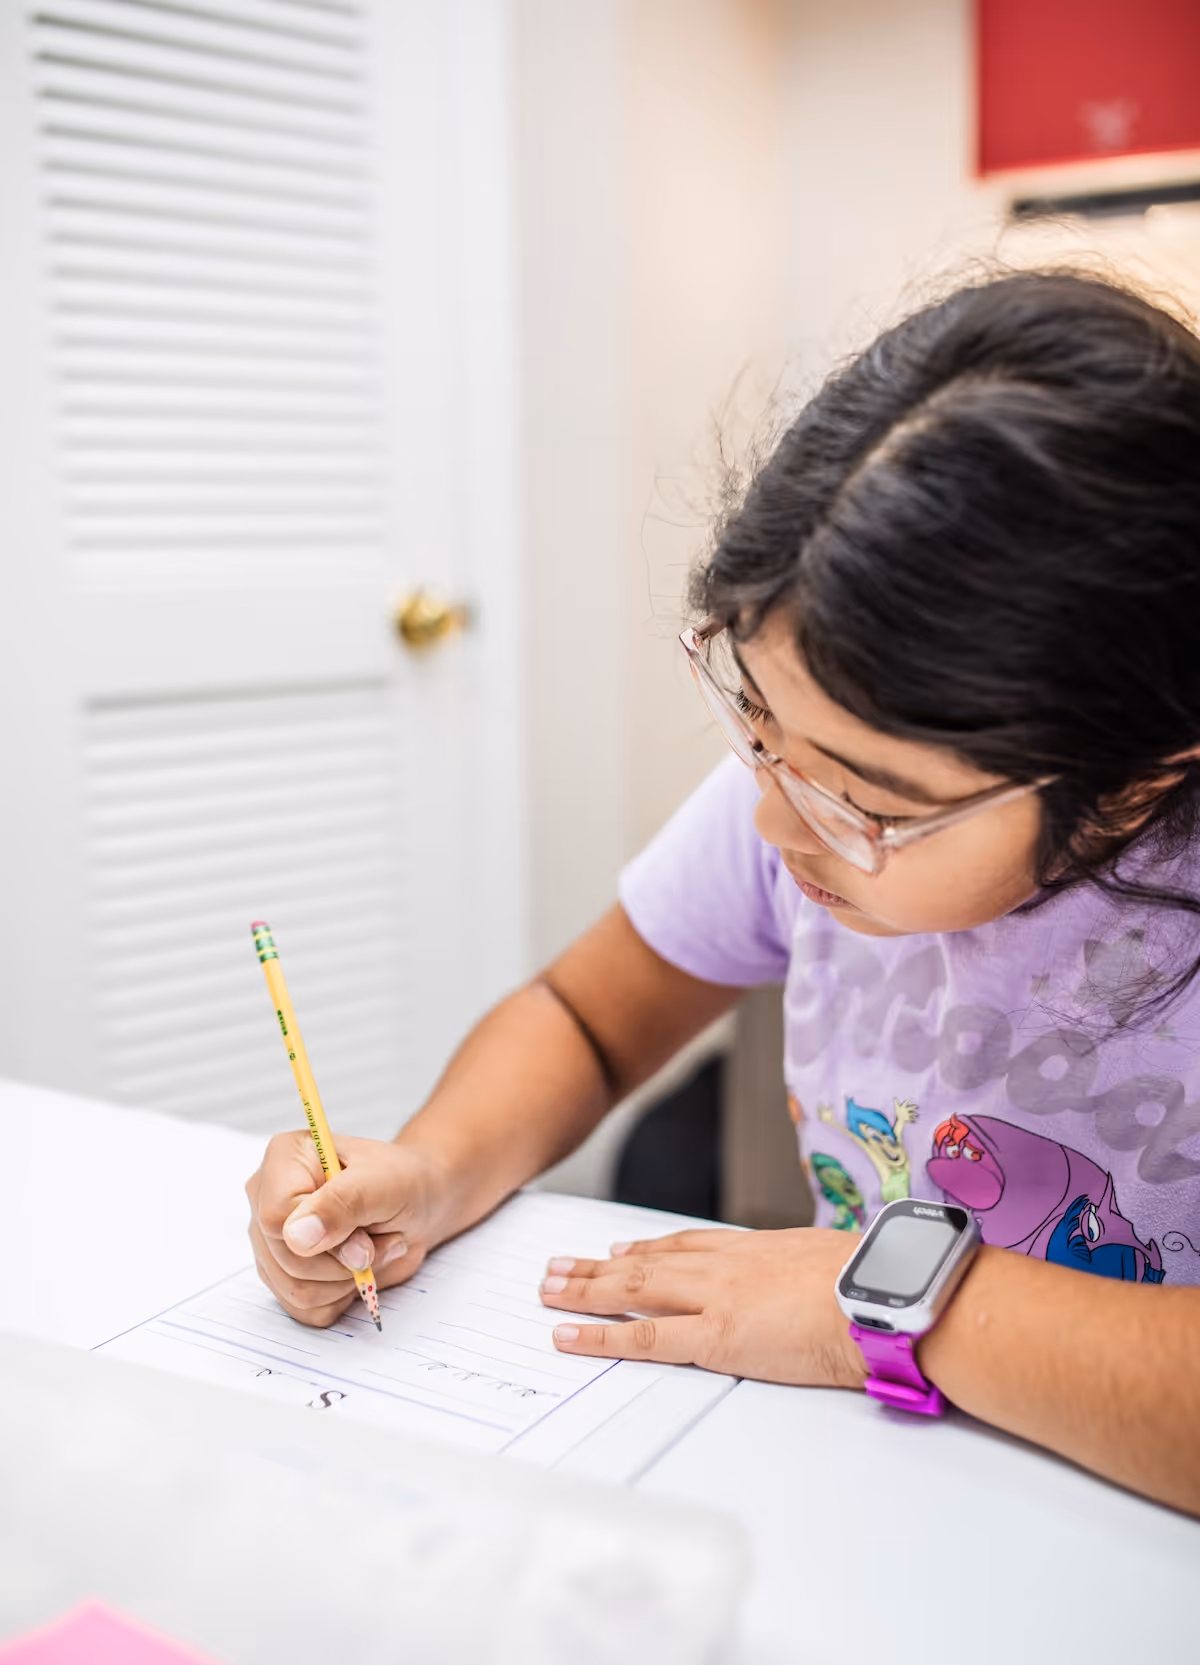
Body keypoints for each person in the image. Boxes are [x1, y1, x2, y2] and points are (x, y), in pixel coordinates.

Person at [245, 270, 1200, 1517]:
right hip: (881, 1487)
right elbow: (587, 1018)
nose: (768, 820)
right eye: (752, 725)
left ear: (1128, 788)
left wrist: (887, 1302)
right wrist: (431, 1170)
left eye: (868, 801)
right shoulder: (807, 787)